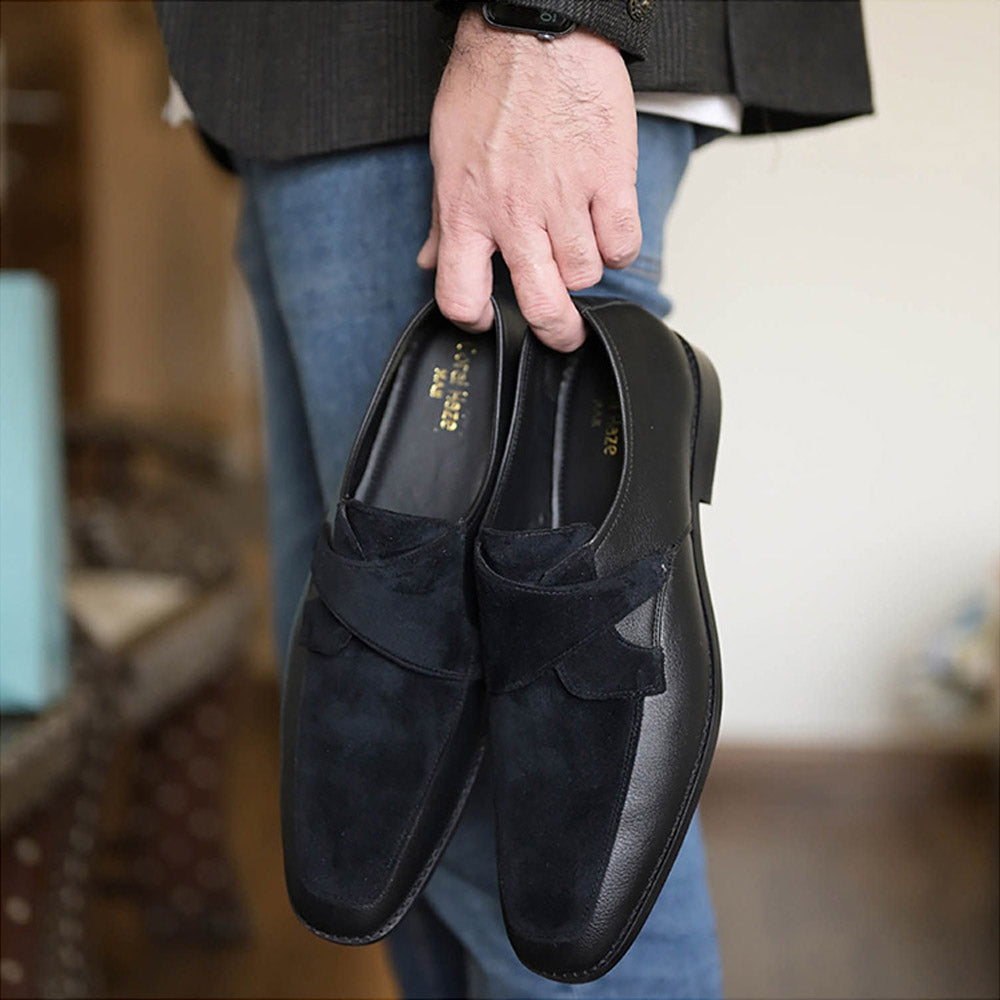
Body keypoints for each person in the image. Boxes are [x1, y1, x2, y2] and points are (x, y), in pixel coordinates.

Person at [153, 2, 871, 996]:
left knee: (537, 856)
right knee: (416, 840)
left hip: (438, 57)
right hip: (287, 83)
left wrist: (543, 25)